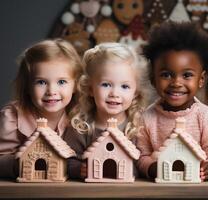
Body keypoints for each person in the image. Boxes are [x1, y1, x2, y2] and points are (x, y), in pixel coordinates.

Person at [137, 21, 208, 181]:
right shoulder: (146, 118)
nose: (176, 83)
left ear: (201, 79)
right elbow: (141, 155)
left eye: (187, 75)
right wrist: (151, 167)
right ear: (153, 79)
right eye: (166, 74)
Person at [0, 39, 82, 178]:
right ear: (27, 86)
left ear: (75, 85)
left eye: (61, 82)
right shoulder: (13, 117)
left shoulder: (79, 117)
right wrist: (18, 164)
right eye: (41, 82)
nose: (51, 91)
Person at [65, 43, 149, 179]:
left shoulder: (138, 125)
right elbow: (68, 159)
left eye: (125, 86)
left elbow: (143, 161)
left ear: (135, 92)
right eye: (106, 84)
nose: (114, 93)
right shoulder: (81, 126)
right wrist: (79, 169)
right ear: (91, 89)